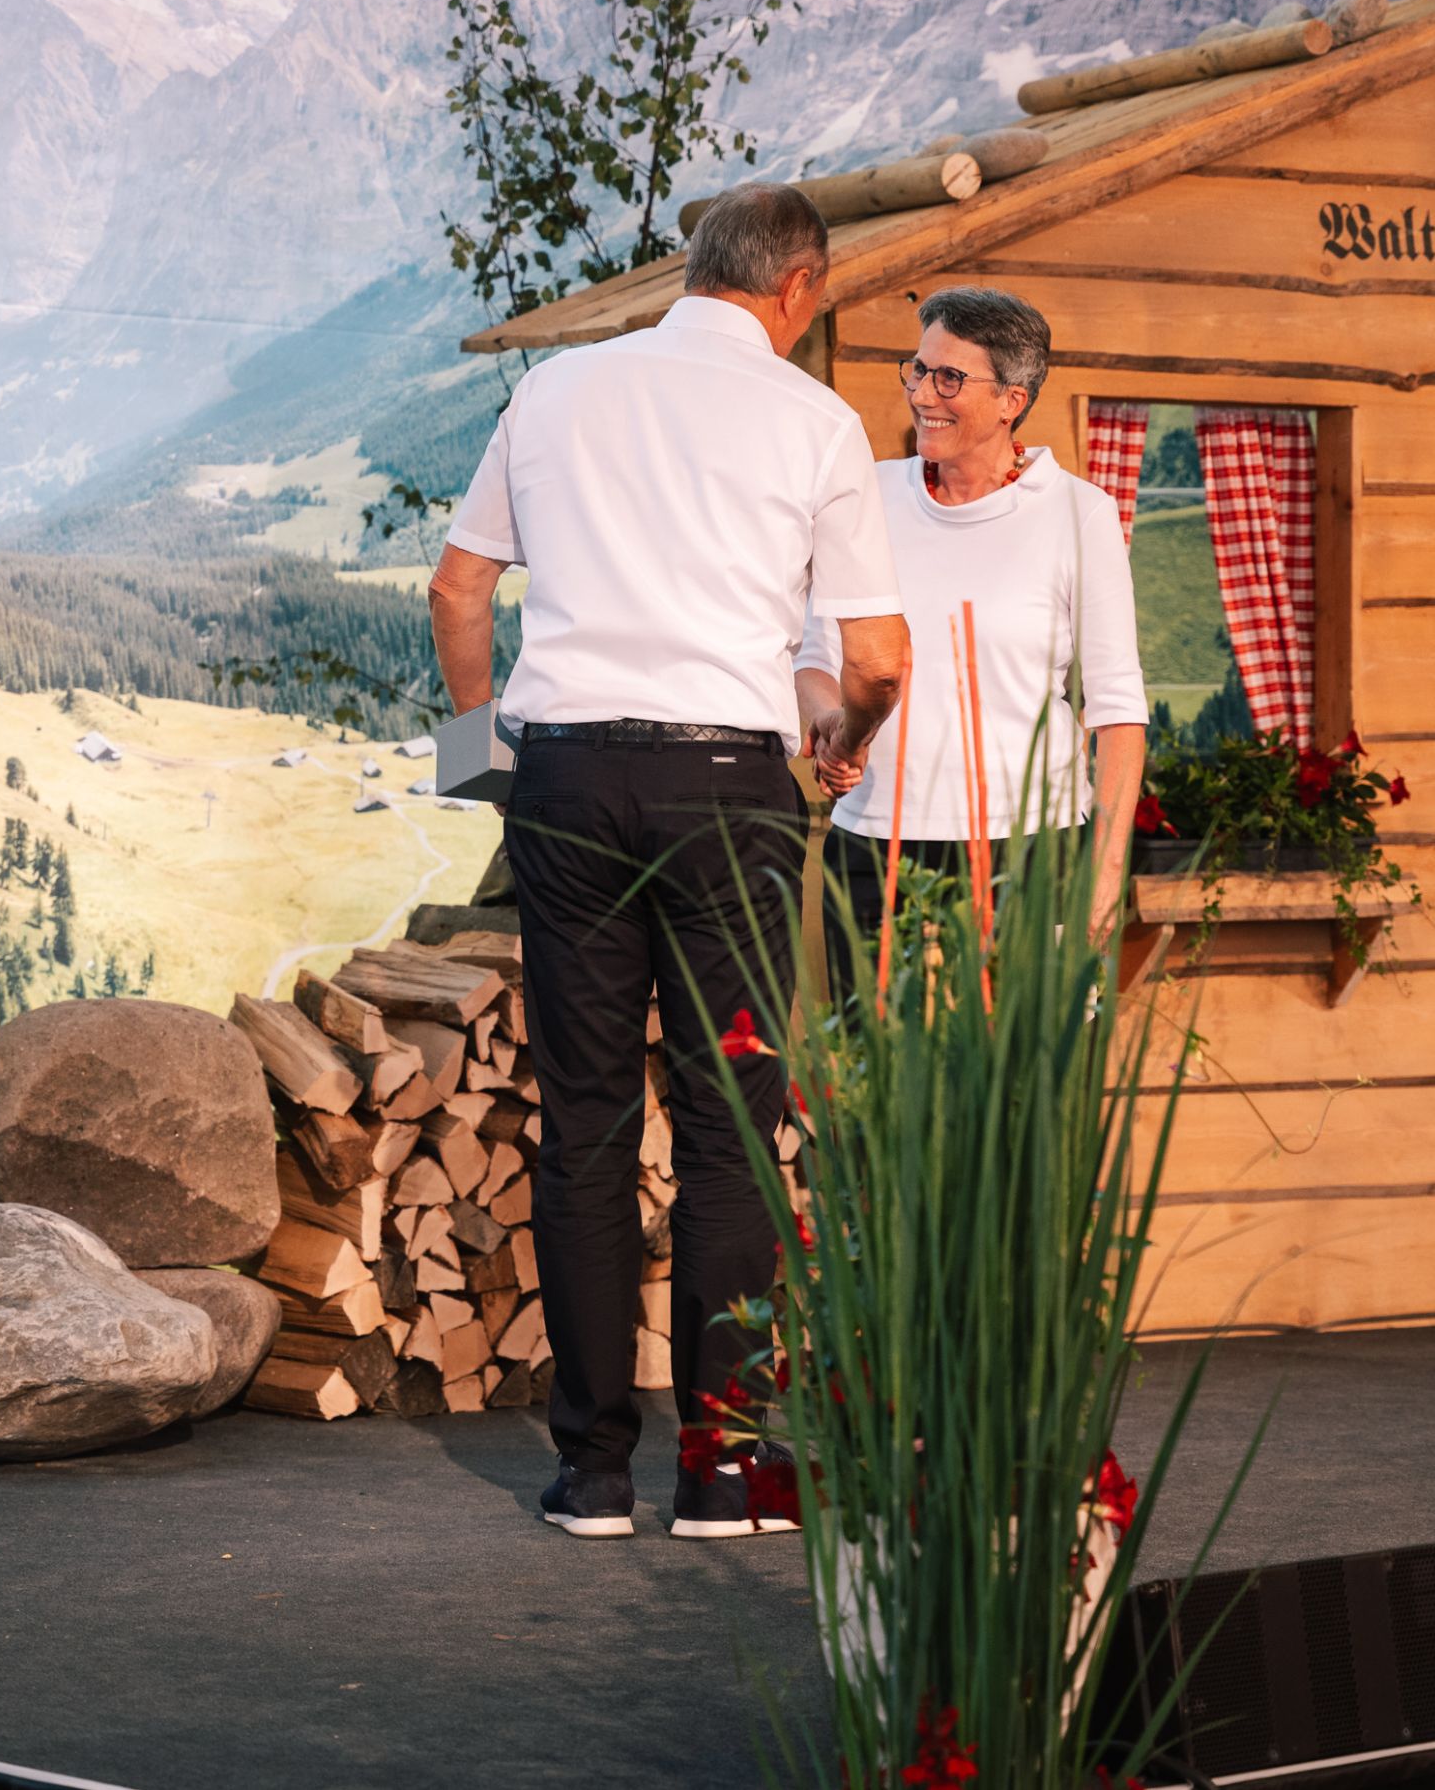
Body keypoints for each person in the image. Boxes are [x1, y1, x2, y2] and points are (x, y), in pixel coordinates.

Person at [427, 184, 910, 1541]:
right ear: (800, 287)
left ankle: (589, 1471)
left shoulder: (564, 390)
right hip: (729, 793)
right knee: (728, 1133)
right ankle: (723, 1469)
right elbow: (872, 661)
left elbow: (459, 588)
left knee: (581, 1129)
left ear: (695, 269)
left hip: (568, 776)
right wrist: (840, 742)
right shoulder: (814, 422)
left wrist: (481, 761)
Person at [794, 286, 1146, 985]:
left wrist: (1103, 878)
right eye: (918, 369)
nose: (924, 391)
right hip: (874, 853)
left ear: (1012, 399)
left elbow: (1117, 710)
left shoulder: (1080, 514)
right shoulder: (868, 497)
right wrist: (832, 728)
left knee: (1024, 1090)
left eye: (949, 377)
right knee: (883, 1091)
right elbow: (813, 658)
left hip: (1034, 856)